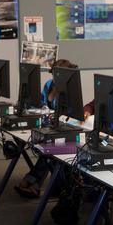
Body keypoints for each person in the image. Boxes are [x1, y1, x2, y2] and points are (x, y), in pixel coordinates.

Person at [14, 59, 78, 198]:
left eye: (58, 75)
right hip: (48, 126)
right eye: (53, 74)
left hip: (63, 129)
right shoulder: (49, 85)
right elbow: (42, 105)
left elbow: (70, 114)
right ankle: (34, 183)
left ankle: (33, 182)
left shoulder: (69, 91)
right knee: (46, 149)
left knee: (48, 150)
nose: (54, 78)